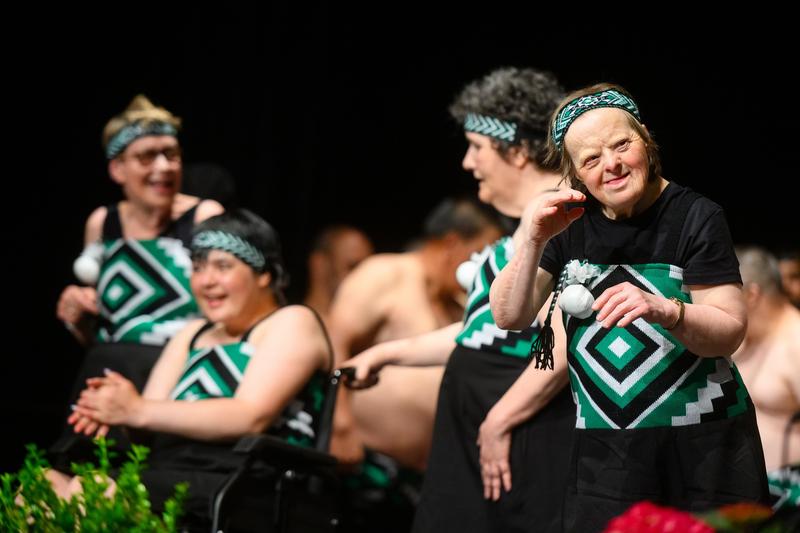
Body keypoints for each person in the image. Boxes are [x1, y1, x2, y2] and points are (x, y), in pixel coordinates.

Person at [489, 83, 770, 530]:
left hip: (707, 449)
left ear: (646, 140)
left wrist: (666, 310)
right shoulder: (567, 223)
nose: (612, 164)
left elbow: (729, 331)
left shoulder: (695, 216)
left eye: (622, 145)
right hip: (607, 453)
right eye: (591, 159)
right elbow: (509, 315)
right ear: (575, 174)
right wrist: (534, 238)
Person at [344, 67, 575, 533]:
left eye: (476, 146)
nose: (469, 163)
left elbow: (568, 341)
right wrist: (389, 353)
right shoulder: (525, 228)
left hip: (522, 436)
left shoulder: (563, 217)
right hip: (480, 436)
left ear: (517, 151)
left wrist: (500, 420)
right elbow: (482, 332)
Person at [50, 210, 333, 531]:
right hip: (171, 468)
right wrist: (114, 406)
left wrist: (137, 409)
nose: (206, 280)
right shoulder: (192, 334)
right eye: (198, 267)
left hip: (248, 481)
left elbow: (249, 416)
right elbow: (146, 425)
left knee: (93, 491)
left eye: (223, 266)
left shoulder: (291, 322)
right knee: (47, 485)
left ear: (264, 274)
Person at [56, 94, 223, 387]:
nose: (164, 166)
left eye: (171, 154)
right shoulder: (103, 223)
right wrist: (78, 317)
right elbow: (102, 334)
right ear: (117, 169)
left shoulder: (203, 217)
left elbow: (225, 311)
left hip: (181, 370)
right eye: (146, 156)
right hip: (110, 371)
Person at [733, 246, 800, 472]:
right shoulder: (738, 342)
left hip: (790, 485)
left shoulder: (795, 342)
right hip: (746, 483)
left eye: (729, 293)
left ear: (751, 295)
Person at [303, 224, 374, 324]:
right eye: (353, 267)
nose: (364, 277)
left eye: (367, 269)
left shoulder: (367, 326)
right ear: (320, 265)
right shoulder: (291, 326)